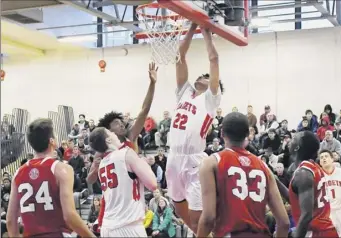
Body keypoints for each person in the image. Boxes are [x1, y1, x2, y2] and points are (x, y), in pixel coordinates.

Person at [165, 23, 223, 234]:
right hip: (173, 155)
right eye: (201, 76)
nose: (202, 77)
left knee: (200, 216)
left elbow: (214, 59)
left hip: (193, 159)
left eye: (207, 77)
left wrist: (206, 31)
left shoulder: (211, 100)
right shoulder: (185, 92)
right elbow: (180, 54)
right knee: (180, 207)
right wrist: (191, 27)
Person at [197, 112, 289, 237]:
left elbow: (208, 218)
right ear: (247, 135)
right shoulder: (264, 167)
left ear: (222, 133)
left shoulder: (211, 163)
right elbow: (284, 222)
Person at [6, 118, 95, 237]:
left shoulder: (18, 173)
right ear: (52, 141)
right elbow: (69, 216)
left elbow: (11, 221)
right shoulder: (62, 169)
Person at [89, 127, 157, 237]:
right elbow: (153, 184)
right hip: (127, 226)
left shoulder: (102, 164)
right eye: (110, 132)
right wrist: (144, 163)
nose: (114, 133)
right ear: (108, 140)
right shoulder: (126, 153)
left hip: (107, 227)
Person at [288, 131, 338, 237]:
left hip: (316, 232)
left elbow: (306, 216)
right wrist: (274, 181)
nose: (290, 140)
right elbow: (296, 199)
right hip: (325, 231)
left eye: (294, 138)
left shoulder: (303, 173)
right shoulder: (313, 168)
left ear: (297, 148)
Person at [319, 149, 341, 237]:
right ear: (320, 162)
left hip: (340, 211)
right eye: (321, 157)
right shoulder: (317, 175)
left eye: (326, 156)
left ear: (332, 159)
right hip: (324, 213)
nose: (324, 159)